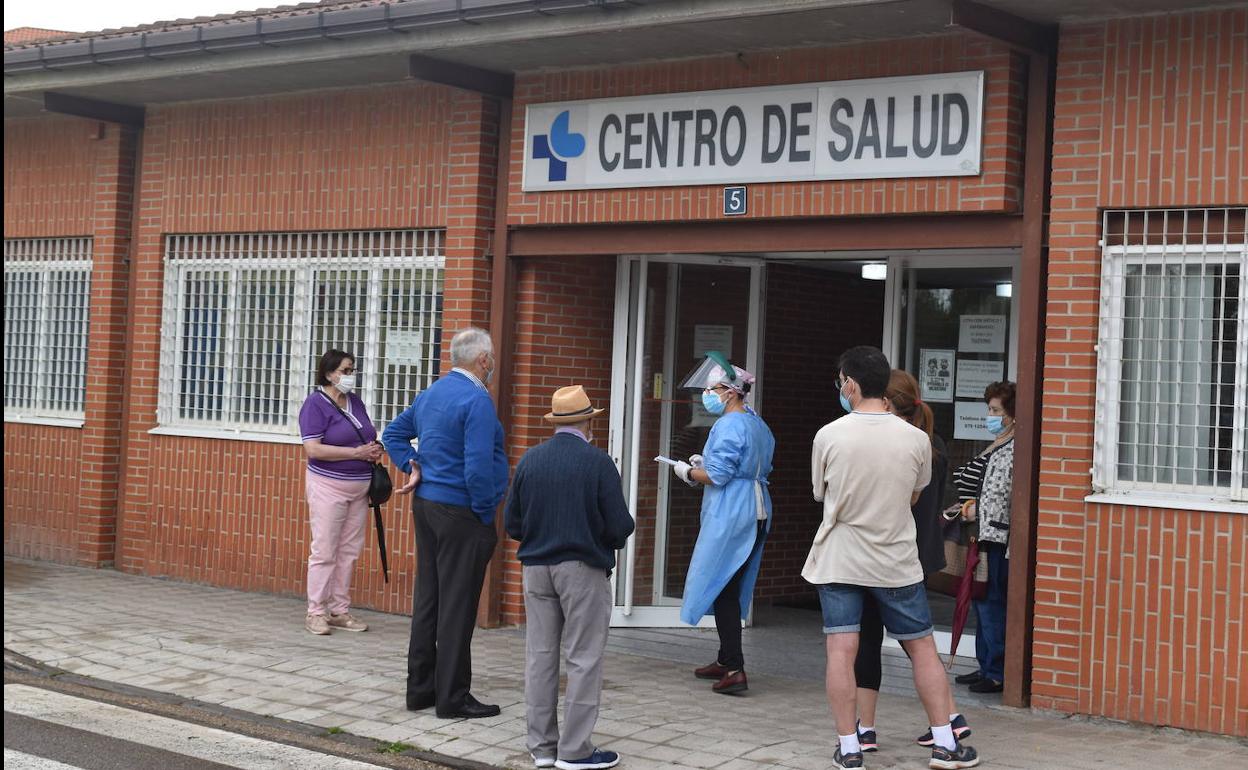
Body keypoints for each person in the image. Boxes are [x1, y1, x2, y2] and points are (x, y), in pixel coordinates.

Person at [806, 346, 979, 770]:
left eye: (841, 380)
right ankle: (945, 742)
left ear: (849, 383)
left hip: (840, 557)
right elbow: (915, 494)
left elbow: (820, 493)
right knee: (921, 649)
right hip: (895, 560)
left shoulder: (829, 435)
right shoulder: (916, 439)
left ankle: (850, 747)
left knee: (841, 652)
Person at [505, 385, 635, 770]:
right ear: (589, 422)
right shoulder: (597, 462)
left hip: (535, 569)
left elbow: (513, 522)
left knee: (540, 657)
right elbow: (620, 525)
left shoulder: (530, 460)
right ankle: (575, 751)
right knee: (583, 658)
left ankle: (542, 748)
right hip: (582, 569)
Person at [382, 327, 509, 720]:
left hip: (428, 506)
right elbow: (477, 467)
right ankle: (453, 696)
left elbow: (393, 434)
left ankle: (421, 689)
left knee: (430, 599)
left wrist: (412, 465)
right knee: (457, 606)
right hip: (462, 512)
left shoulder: (432, 393)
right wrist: (486, 512)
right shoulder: (477, 400)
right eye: (492, 359)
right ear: (483, 360)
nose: (493, 365)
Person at [853, 370, 971, 754]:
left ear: (885, 402)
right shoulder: (931, 442)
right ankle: (949, 718)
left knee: (885, 638)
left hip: (888, 551)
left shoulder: (897, 443)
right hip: (918, 551)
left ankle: (869, 729)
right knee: (913, 639)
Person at [669, 352, 775, 695]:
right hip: (755, 508)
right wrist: (707, 462)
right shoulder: (756, 421)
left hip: (734, 511)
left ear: (730, 392)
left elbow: (717, 475)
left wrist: (688, 470)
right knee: (729, 581)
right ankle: (726, 655)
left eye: (713, 389)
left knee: (724, 586)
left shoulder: (729, 424)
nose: (707, 395)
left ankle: (734, 668)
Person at [299, 349, 382, 636]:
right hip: (328, 486)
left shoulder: (354, 401)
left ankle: (339, 609)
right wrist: (355, 452)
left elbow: (367, 433)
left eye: (352, 370)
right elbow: (313, 448)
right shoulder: (315, 404)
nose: (350, 376)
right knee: (324, 550)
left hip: (359, 488)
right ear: (329, 373)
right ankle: (316, 612)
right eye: (345, 371)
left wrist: (373, 449)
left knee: (348, 551)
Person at [950, 381, 1016, 695]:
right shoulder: (995, 443)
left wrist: (979, 511)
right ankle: (985, 663)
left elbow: (1004, 494)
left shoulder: (1013, 448)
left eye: (995, 410)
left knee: (991, 603)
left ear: (1012, 415)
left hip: (995, 538)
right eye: (989, 409)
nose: (989, 415)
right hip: (978, 535)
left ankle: (998, 671)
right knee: (979, 602)